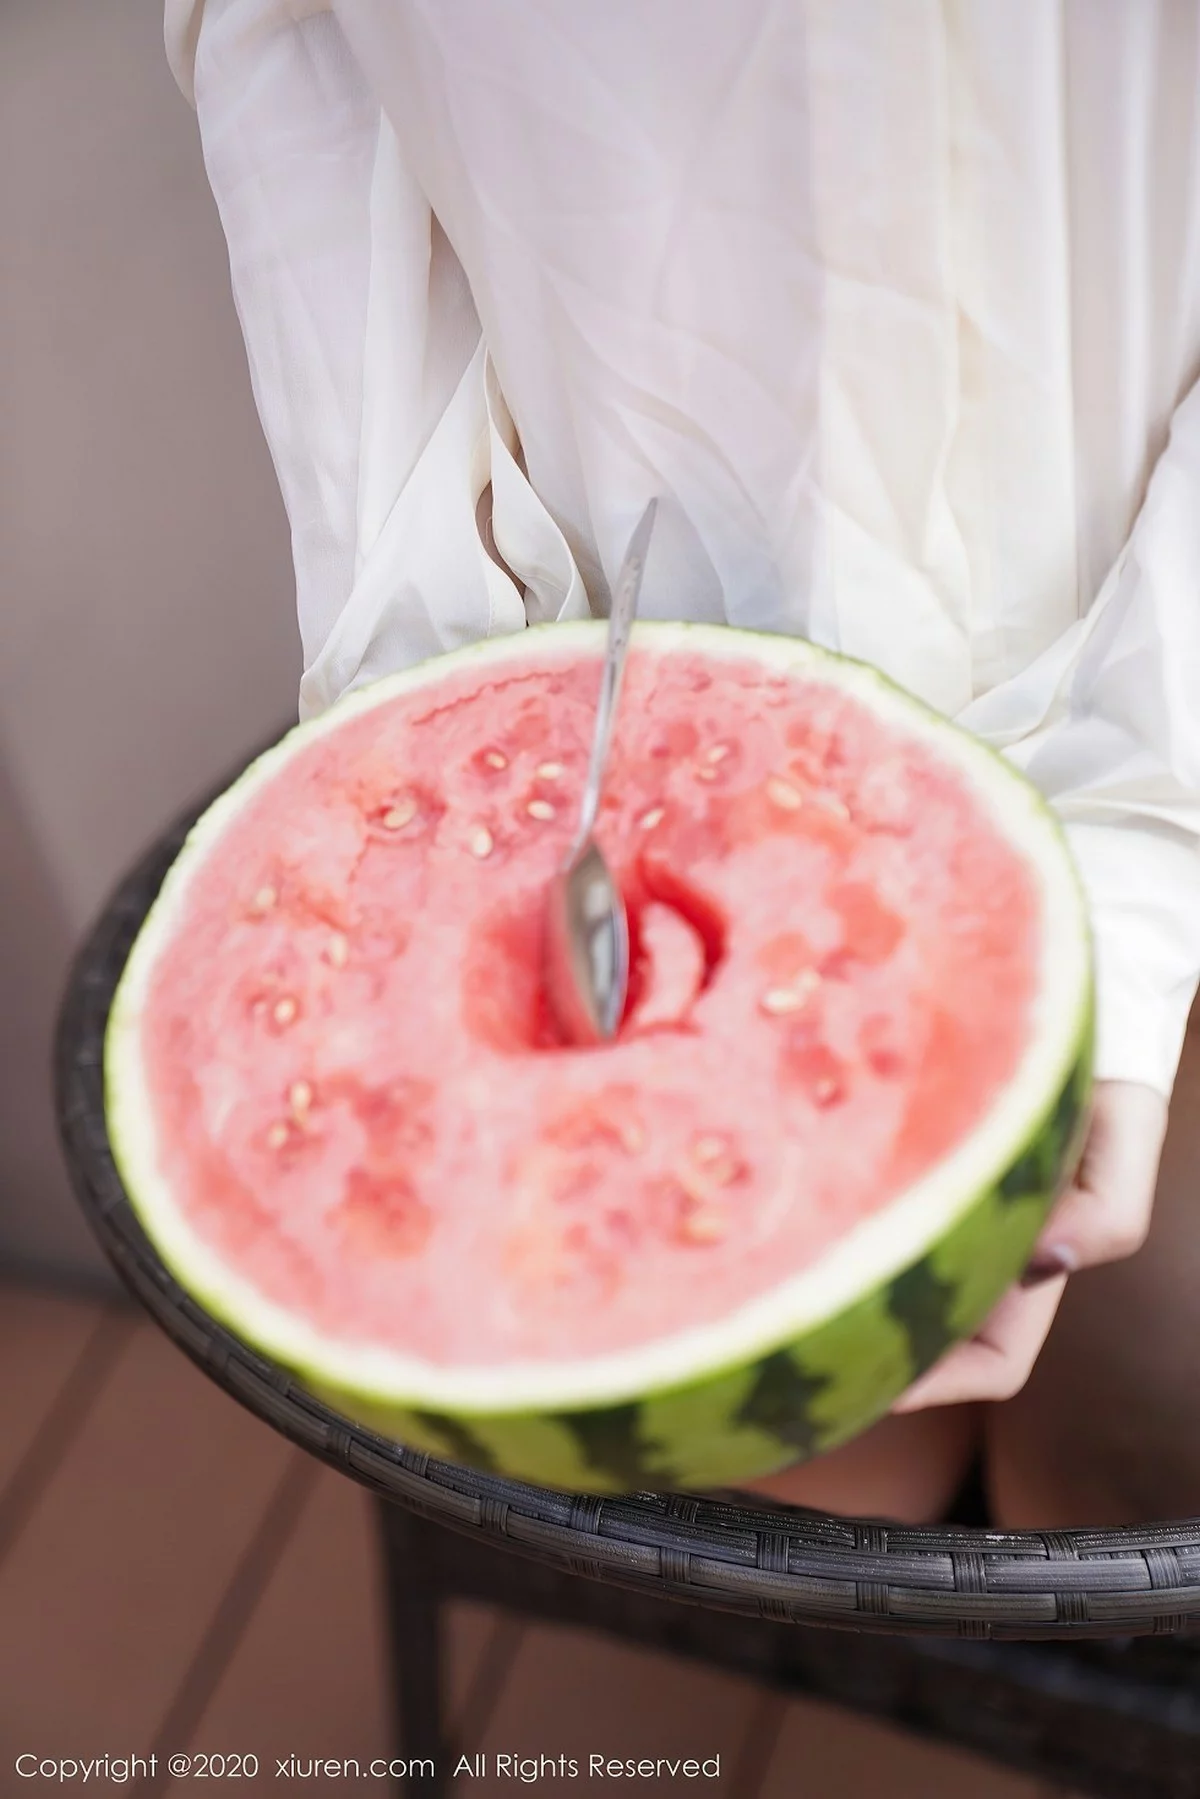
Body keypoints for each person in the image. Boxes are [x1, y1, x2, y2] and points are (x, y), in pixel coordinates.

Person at [164, 0, 1200, 1526]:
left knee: (1125, 1479)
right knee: (832, 1511)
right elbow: (282, 41)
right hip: (597, 663)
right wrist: (437, 676)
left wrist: (1148, 830)